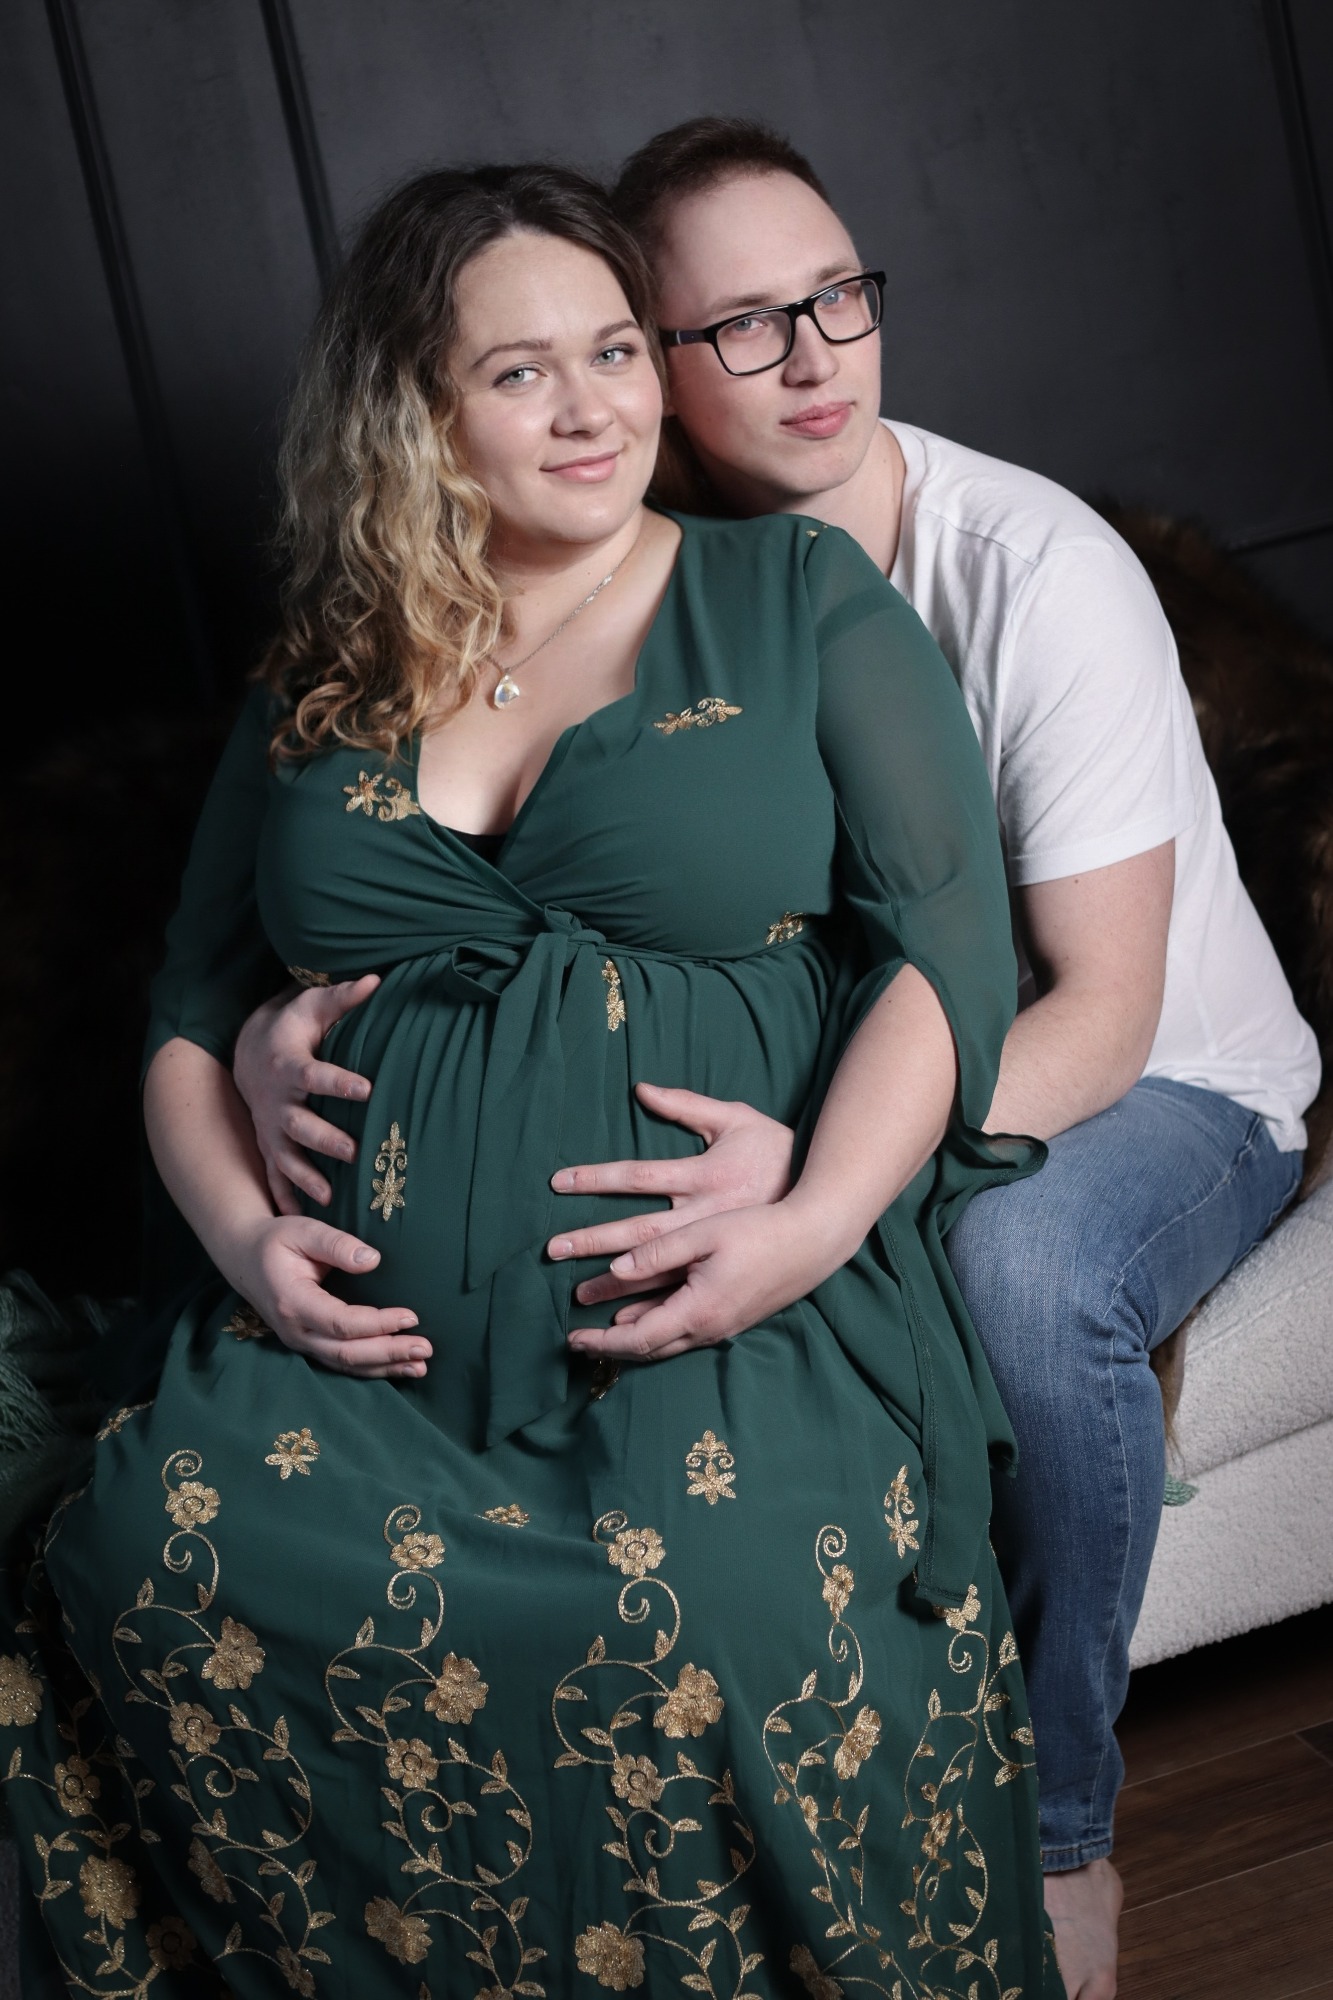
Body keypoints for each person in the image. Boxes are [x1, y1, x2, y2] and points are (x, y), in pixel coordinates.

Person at [236, 122, 1320, 2000]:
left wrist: (830, 1169)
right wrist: (281, 1017)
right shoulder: (623, 551)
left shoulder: (1030, 567)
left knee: (1014, 1270)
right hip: (857, 1072)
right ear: (643, 361)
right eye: (738, 324)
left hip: (1156, 1084)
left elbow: (1097, 1003)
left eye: (835, 298)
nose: (813, 356)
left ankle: (1061, 1822)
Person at [0, 164, 1065, 1997]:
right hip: (354, 1340)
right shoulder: (326, 668)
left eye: (616, 351)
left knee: (703, 1613)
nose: (593, 409)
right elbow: (189, 1010)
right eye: (519, 372)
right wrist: (251, 1244)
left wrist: (811, 1217)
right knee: (140, 1551)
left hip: (710, 1296)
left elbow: (943, 955)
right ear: (412, 413)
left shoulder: (788, 595)